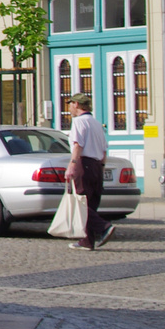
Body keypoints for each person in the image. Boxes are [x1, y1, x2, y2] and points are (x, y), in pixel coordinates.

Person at [66, 93, 112, 250]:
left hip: (83, 163)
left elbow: (78, 145)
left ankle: (103, 227)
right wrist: (101, 167)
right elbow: (104, 150)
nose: (69, 107)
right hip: (97, 165)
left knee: (81, 202)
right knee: (91, 202)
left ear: (77, 105)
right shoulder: (97, 124)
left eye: (70, 104)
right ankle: (87, 240)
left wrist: (72, 165)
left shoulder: (79, 122)